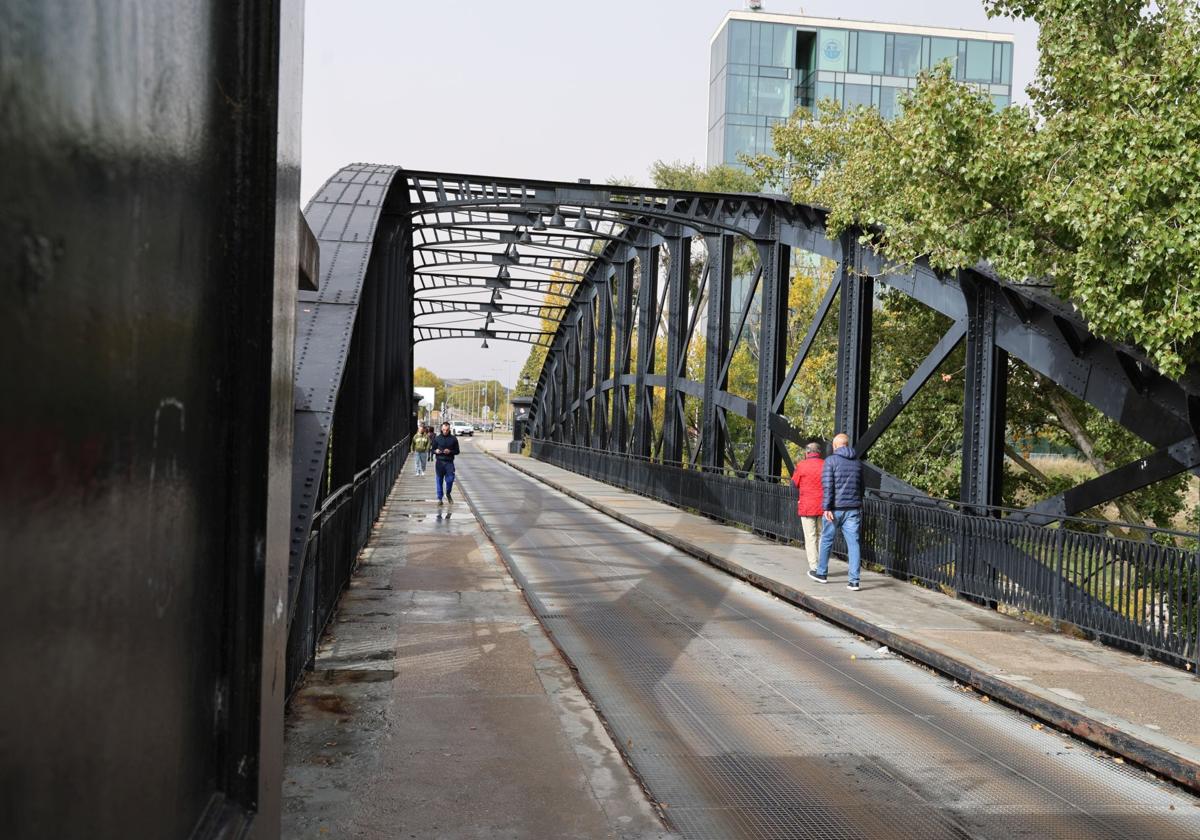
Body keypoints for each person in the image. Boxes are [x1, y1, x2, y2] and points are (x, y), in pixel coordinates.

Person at [809, 432, 864, 591]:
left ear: (835, 446)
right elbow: (862, 487)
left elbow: (828, 486)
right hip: (853, 509)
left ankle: (822, 573)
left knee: (826, 539)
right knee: (854, 544)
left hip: (834, 509)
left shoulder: (830, 461)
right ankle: (854, 581)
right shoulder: (857, 463)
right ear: (847, 445)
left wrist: (826, 507)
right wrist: (856, 502)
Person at [790, 441, 824, 572]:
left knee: (810, 537)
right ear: (819, 453)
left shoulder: (801, 465)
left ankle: (814, 566)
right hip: (823, 507)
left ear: (807, 453)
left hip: (807, 506)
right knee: (822, 535)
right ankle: (822, 565)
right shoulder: (825, 465)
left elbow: (793, 485)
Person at [431, 421, 460, 506]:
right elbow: (432, 450)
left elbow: (457, 451)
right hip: (439, 462)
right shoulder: (437, 438)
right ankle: (440, 498)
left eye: (447, 430)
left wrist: (450, 451)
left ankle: (448, 493)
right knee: (439, 480)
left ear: (449, 429)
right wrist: (435, 451)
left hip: (449, 463)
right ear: (441, 429)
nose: (445, 431)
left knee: (450, 479)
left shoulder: (453, 439)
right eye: (444, 430)